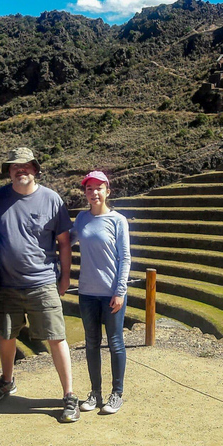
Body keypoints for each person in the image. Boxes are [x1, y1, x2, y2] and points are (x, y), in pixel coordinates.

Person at [0, 147, 78, 423]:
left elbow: (63, 243)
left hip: (43, 281)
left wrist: (64, 277)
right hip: (7, 284)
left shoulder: (51, 199)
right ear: (9, 171)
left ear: (35, 169)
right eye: (14, 166)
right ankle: (7, 380)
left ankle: (69, 395)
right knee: (6, 335)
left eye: (25, 166)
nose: (20, 170)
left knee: (56, 337)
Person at [71, 171, 131, 415]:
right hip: (86, 292)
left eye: (98, 188)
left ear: (107, 190)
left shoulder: (118, 220)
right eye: (89, 189)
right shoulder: (82, 219)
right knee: (91, 343)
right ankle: (95, 393)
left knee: (115, 342)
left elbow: (125, 258)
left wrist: (120, 291)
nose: (94, 193)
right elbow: (67, 241)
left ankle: (116, 394)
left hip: (111, 293)